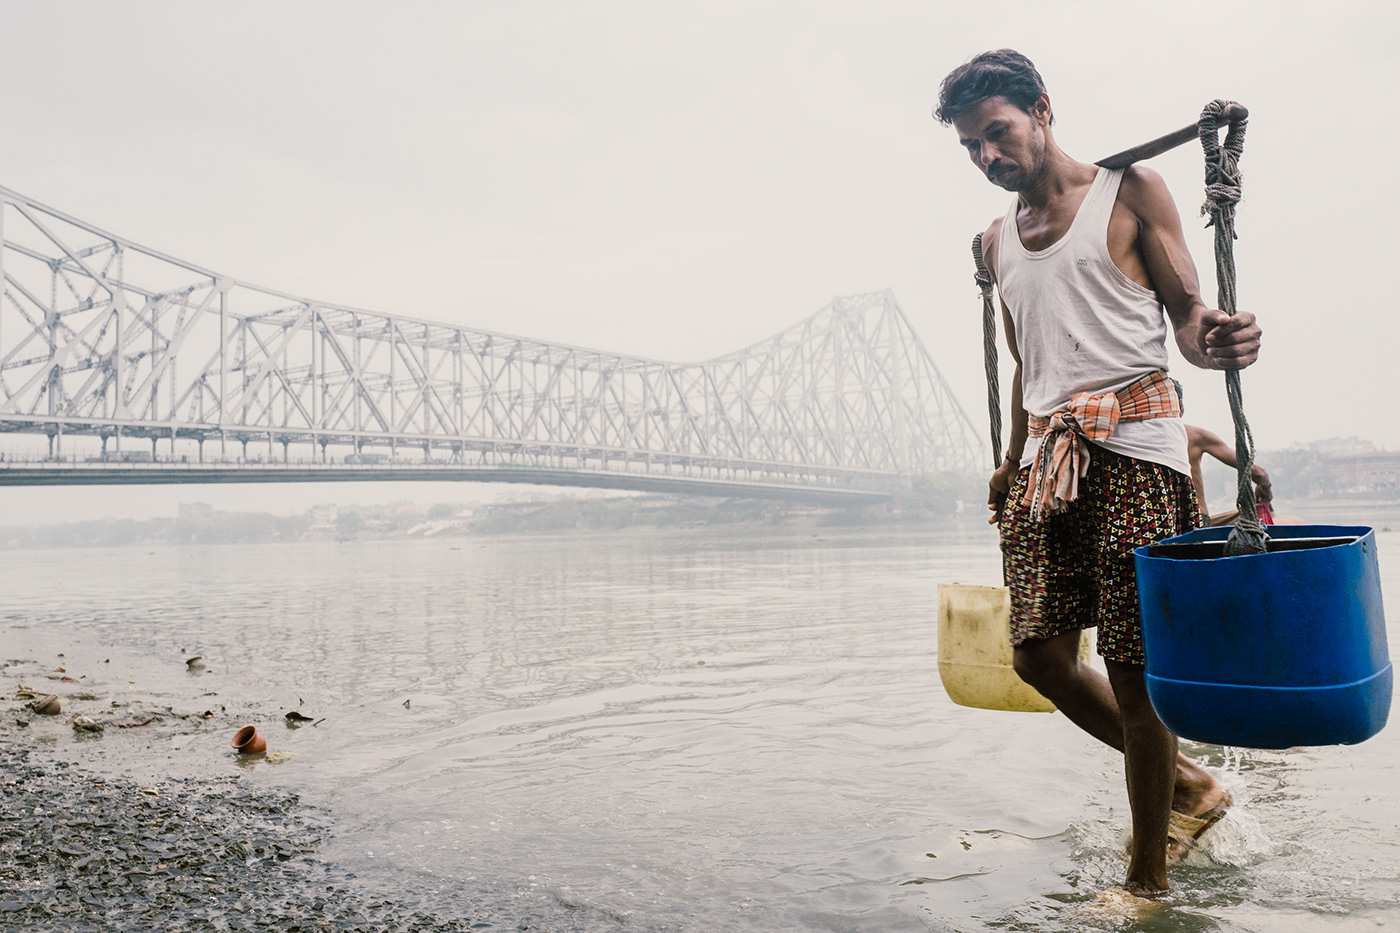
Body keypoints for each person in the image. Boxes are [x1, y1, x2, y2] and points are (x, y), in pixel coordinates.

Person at [935, 50, 1261, 897]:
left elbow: (1187, 315)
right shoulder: (995, 241)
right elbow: (1024, 364)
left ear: (1043, 109)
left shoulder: (1131, 192)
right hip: (1049, 464)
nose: (988, 158)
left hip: (1137, 453)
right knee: (1038, 656)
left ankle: (1146, 878)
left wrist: (1216, 336)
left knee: (1130, 666)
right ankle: (1194, 786)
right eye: (972, 148)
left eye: (997, 134)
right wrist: (1009, 460)